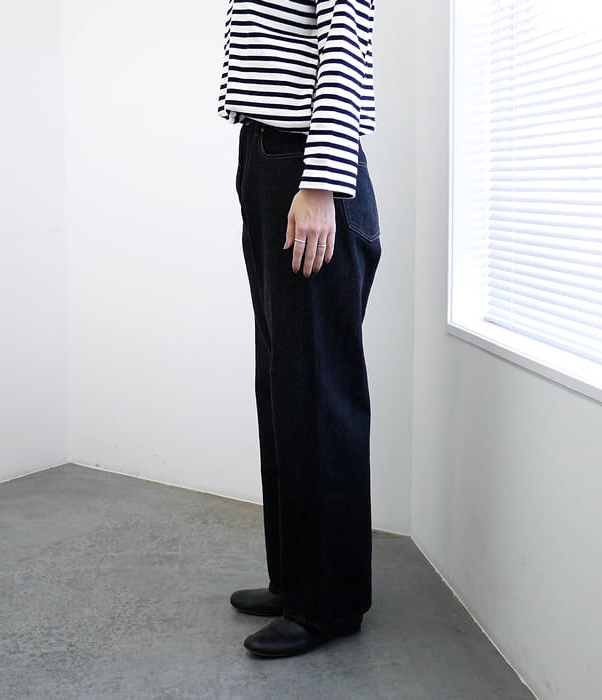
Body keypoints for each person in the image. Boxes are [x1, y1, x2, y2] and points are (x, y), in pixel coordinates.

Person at [218, 0, 381, 658]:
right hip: (269, 155)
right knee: (285, 387)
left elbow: (345, 47)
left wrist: (320, 185)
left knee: (317, 390)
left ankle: (327, 603)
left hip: (306, 166)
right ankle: (296, 580)